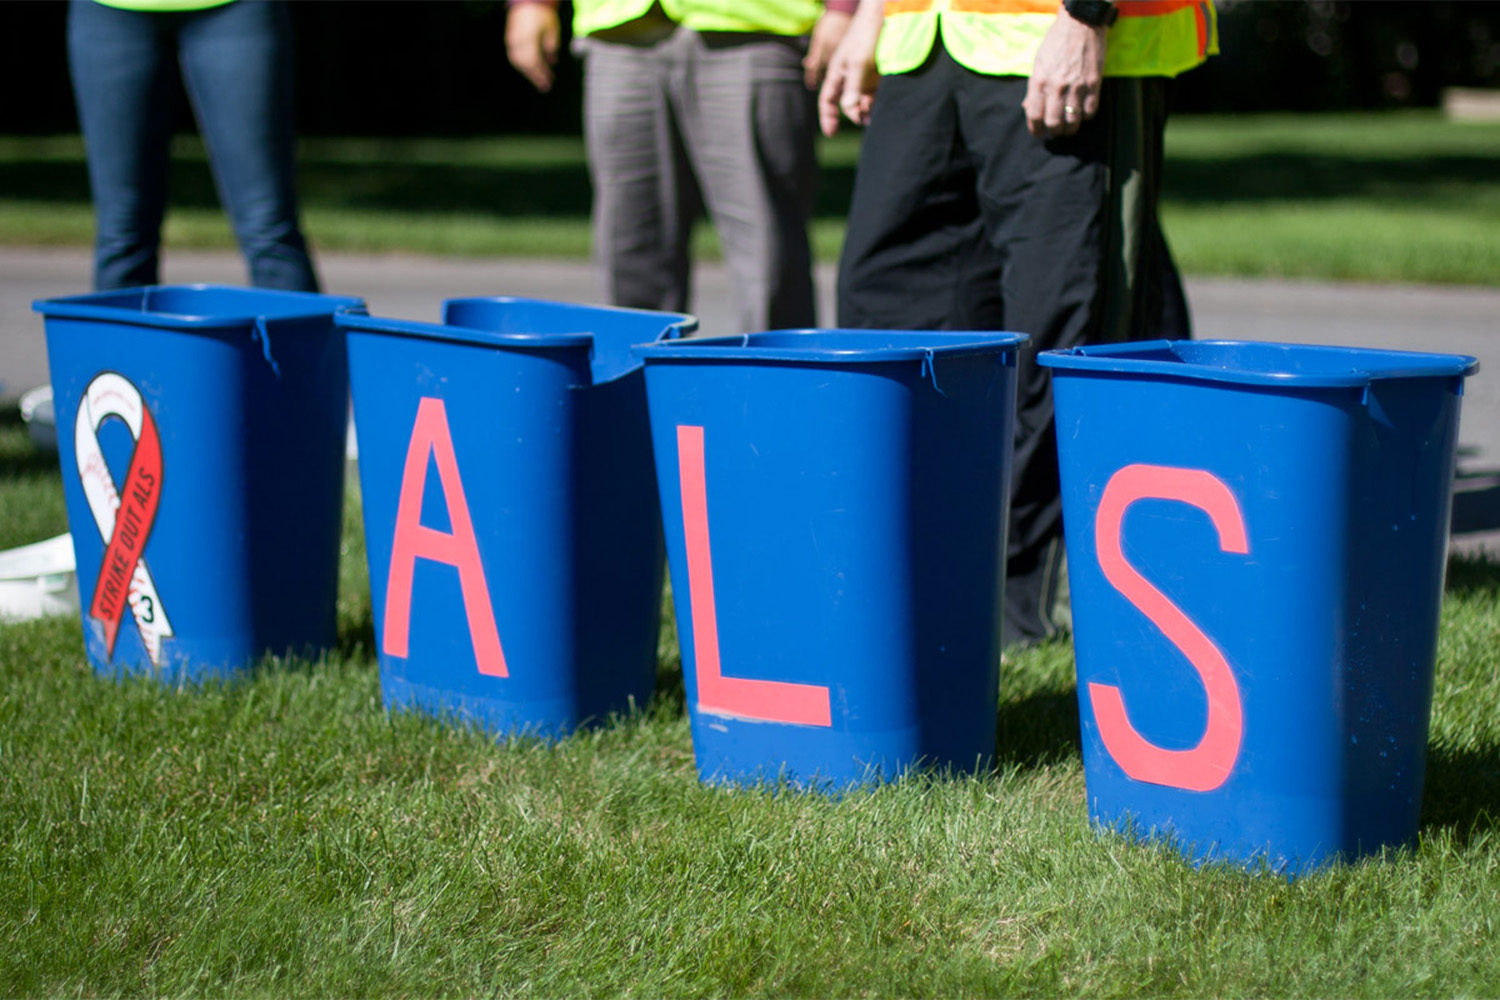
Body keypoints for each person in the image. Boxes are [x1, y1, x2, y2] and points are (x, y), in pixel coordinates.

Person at [820, 0, 1216, 648]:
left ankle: (1035, 610)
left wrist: (1088, 15)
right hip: (926, 33)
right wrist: (871, 13)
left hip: (1061, 33)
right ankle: (937, 585)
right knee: (887, 302)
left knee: (1062, 335)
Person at [505, 0, 856, 334]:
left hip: (756, 26)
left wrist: (844, 8)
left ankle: (776, 394)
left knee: (768, 255)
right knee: (630, 249)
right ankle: (635, 393)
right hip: (619, 31)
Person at [67, 0, 319, 292]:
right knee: (120, 236)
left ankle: (303, 339)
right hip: (108, 10)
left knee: (269, 230)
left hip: (235, 8)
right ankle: (124, 340)